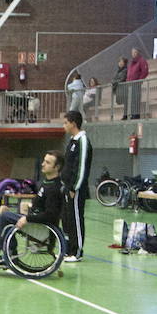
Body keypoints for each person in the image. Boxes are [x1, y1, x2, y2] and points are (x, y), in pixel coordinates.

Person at [0, 150, 64, 265]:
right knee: (4, 211)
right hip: (36, 221)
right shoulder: (47, 183)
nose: (43, 164)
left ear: (57, 167)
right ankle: (5, 254)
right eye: (44, 161)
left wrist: (27, 218)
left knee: (4, 217)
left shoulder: (54, 188)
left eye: (47, 162)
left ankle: (11, 255)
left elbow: (50, 215)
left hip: (41, 228)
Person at [61, 111, 93, 262]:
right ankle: (68, 250)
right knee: (67, 219)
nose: (64, 126)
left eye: (65, 123)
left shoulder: (83, 141)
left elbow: (81, 168)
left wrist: (74, 187)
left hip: (76, 189)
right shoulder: (72, 141)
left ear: (73, 123)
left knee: (76, 219)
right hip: (67, 187)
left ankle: (77, 251)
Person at [126, 47, 149, 119]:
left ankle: (136, 115)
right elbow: (129, 73)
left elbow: (145, 72)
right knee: (132, 100)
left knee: (136, 99)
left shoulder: (142, 61)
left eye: (134, 52)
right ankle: (132, 114)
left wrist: (139, 80)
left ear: (138, 53)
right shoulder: (132, 62)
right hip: (130, 84)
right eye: (132, 52)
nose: (133, 54)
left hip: (136, 83)